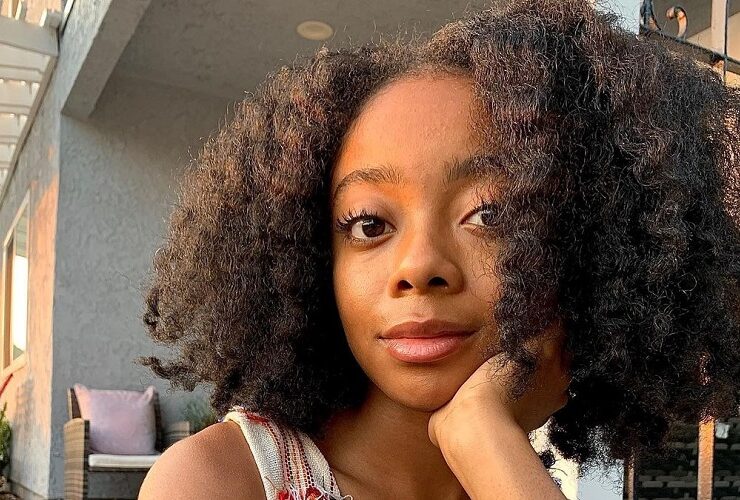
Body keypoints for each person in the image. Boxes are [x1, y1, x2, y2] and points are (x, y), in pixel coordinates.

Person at [137, 0, 740, 498]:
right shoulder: (218, 482)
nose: (420, 266)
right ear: (314, 260)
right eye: (369, 224)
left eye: (490, 215)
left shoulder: (511, 475)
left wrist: (483, 436)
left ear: (587, 250)